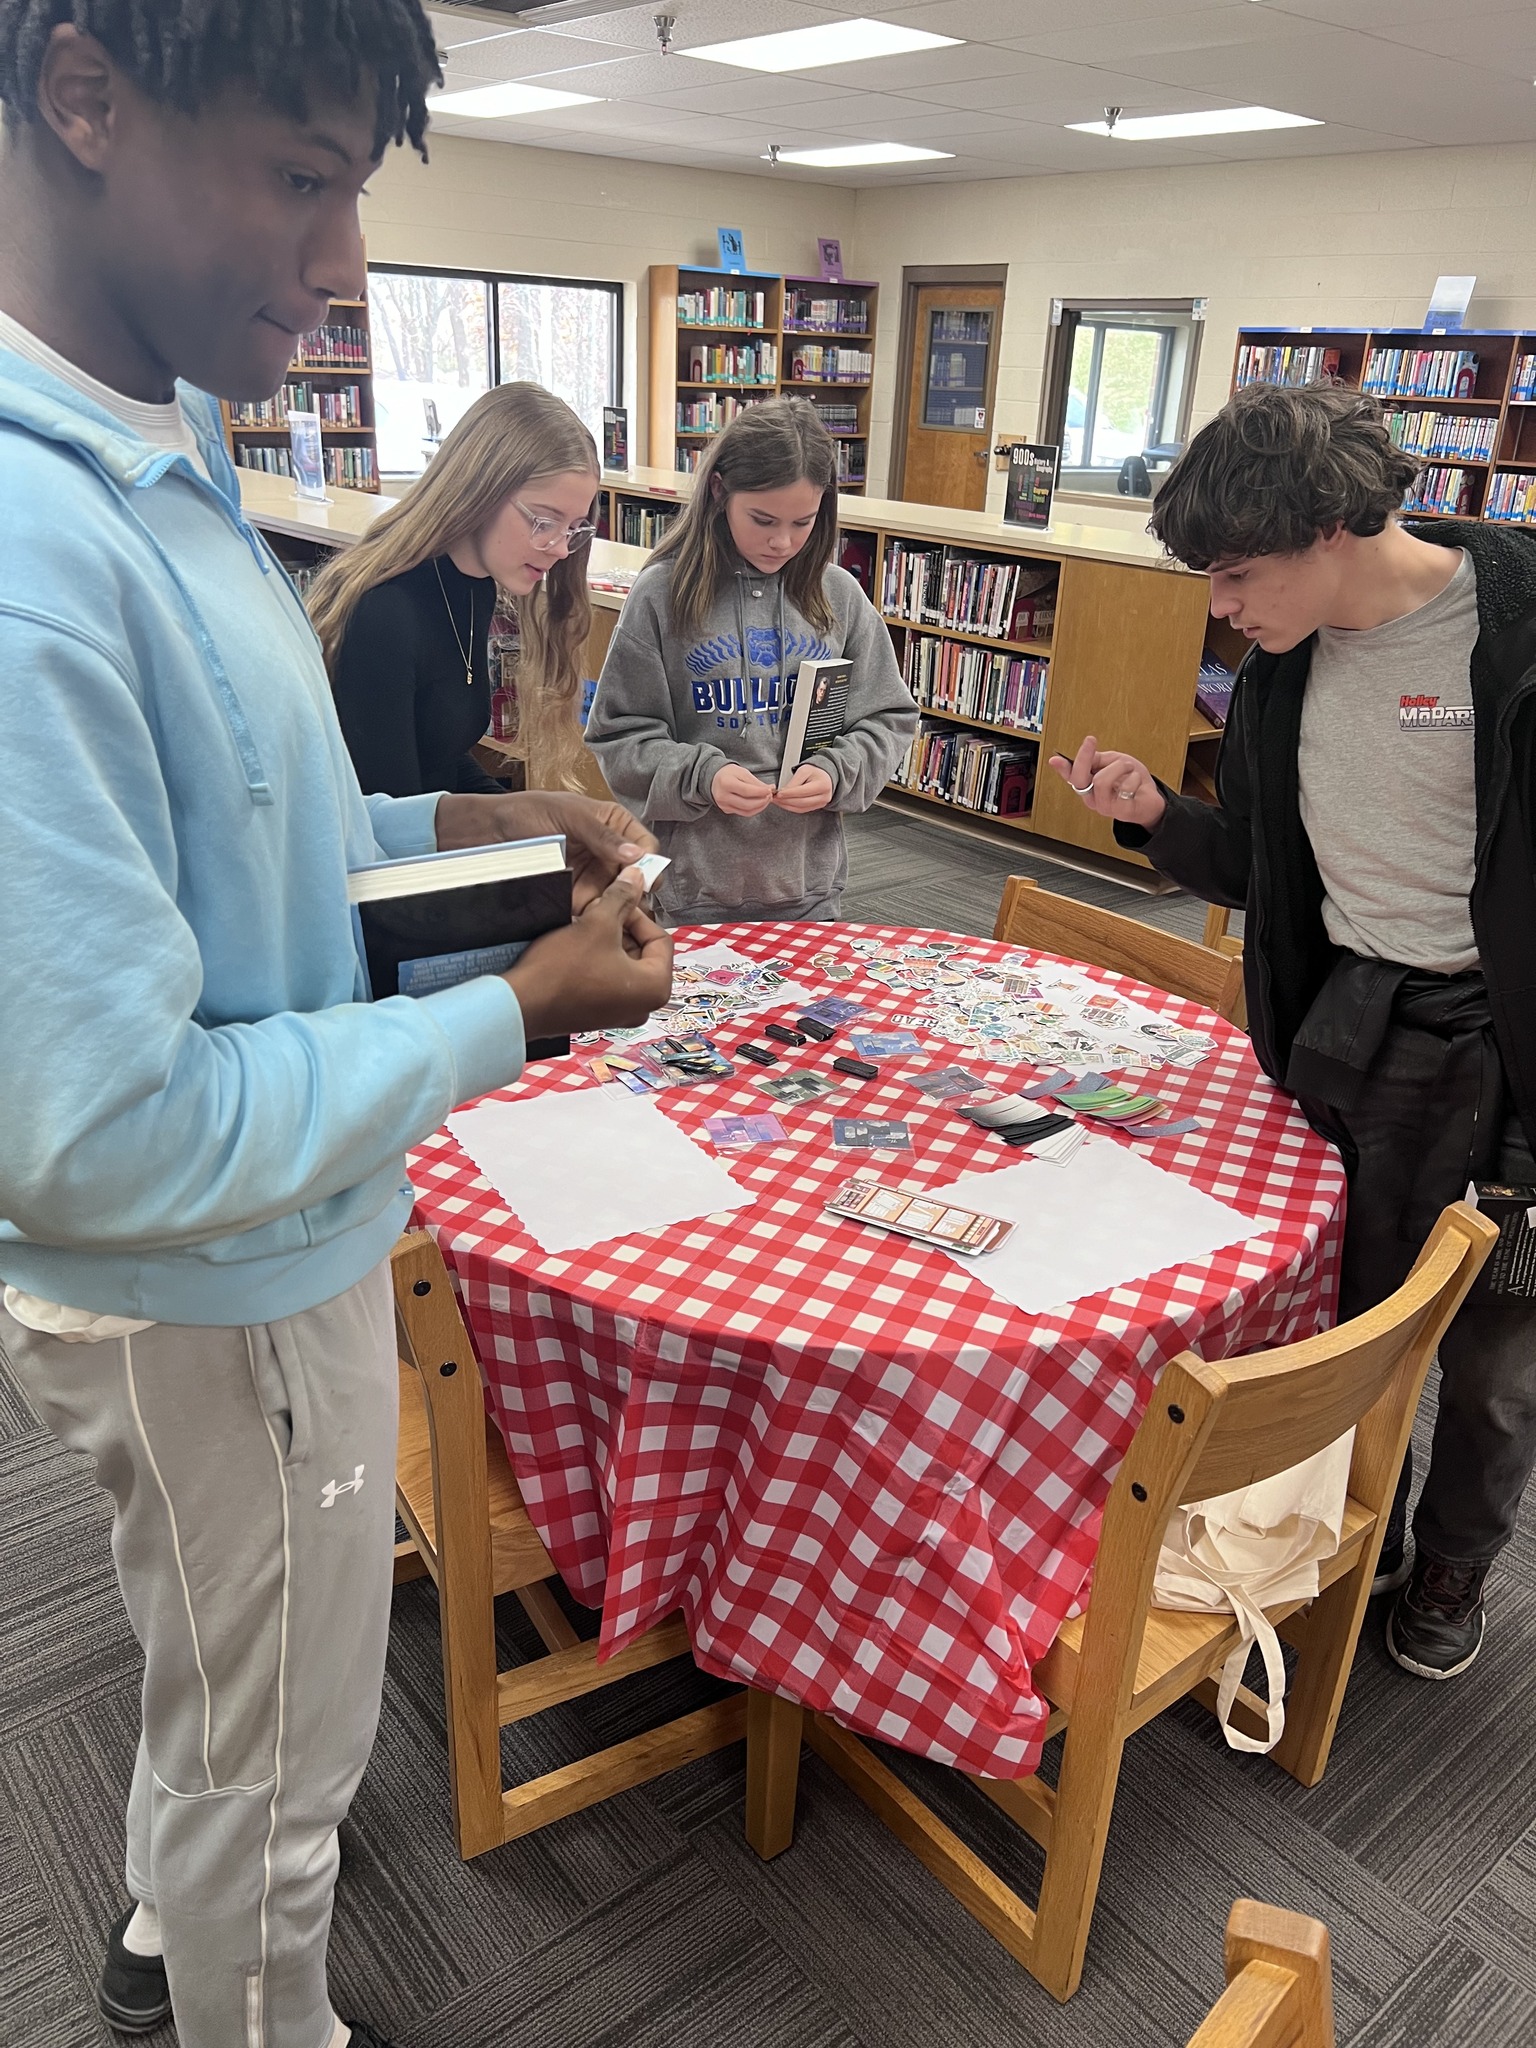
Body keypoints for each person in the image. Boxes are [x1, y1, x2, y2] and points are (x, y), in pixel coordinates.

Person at [0, 8, 672, 2048]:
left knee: (220, 1679)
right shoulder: (38, 556)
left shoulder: (167, 445)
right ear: (86, 97)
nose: (350, 263)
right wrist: (508, 1014)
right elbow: (101, 1131)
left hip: (253, 1250)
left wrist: (450, 824)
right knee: (277, 1779)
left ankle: (157, 1933)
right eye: (302, 179)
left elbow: (248, 839)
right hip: (210, 1280)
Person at [1048, 380, 1536, 1683]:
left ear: (1332, 527)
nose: (1220, 604)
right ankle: (1361, 1526)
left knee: (1495, 1355)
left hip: (1510, 1045)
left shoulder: (1517, 625)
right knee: (1352, 1310)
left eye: (1236, 571)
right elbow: (1266, 870)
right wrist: (1153, 811)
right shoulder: (1281, 668)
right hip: (1356, 1024)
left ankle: (1453, 1565)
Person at [585, 396, 918, 924]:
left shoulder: (840, 596)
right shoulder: (660, 596)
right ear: (719, 491)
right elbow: (618, 738)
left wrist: (838, 770)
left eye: (803, 522)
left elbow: (889, 719)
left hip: (808, 889)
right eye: (762, 519)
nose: (782, 541)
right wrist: (703, 776)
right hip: (685, 894)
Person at [308, 381, 600, 798]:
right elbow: (390, 817)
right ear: (480, 490)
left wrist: (527, 820)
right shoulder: (383, 615)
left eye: (574, 529)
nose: (559, 549)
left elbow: (437, 754)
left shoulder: (475, 586)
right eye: (543, 521)